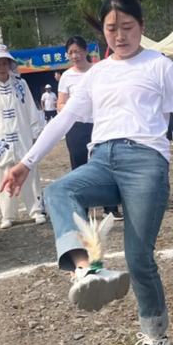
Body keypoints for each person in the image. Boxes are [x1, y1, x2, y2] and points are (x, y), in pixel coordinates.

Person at [0, 0, 173, 345]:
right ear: (102, 32)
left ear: (142, 26)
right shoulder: (96, 73)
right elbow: (63, 120)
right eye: (111, 29)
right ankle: (87, 268)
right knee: (59, 191)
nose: (120, 36)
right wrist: (26, 162)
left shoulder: (160, 66)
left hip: (146, 163)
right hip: (101, 159)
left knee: (139, 258)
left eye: (128, 27)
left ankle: (156, 335)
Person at [0, 44, 46, 229]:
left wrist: (35, 133)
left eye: (4, 63)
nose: (1, 67)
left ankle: (37, 210)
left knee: (30, 172)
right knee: (3, 175)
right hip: (1, 139)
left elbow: (31, 110)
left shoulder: (21, 85)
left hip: (23, 135)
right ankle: (8, 215)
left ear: (10, 64)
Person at [57, 35, 123, 221]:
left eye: (78, 51)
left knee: (105, 164)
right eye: (70, 53)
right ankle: (82, 210)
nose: (74, 56)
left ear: (86, 51)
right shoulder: (66, 77)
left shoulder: (99, 70)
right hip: (77, 127)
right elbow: (60, 104)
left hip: (100, 125)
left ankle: (110, 208)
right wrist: (74, 109)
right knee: (78, 167)